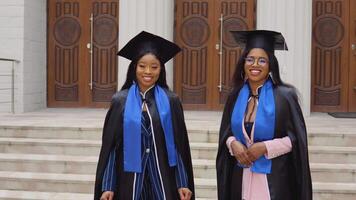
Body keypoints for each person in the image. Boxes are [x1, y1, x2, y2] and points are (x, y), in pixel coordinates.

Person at [94, 31, 194, 200]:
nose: (148, 71)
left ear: (161, 69)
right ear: (134, 67)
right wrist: (108, 186)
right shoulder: (120, 101)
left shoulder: (171, 101)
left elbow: (178, 146)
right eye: (142, 66)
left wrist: (183, 182)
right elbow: (112, 148)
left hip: (163, 179)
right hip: (129, 182)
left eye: (154, 67)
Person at [216, 30, 312, 200]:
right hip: (242, 177)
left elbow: (295, 140)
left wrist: (265, 147)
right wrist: (233, 144)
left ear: (270, 65)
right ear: (243, 63)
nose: (255, 65)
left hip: (273, 180)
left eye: (262, 60)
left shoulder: (284, 96)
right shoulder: (236, 95)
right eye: (250, 59)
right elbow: (227, 132)